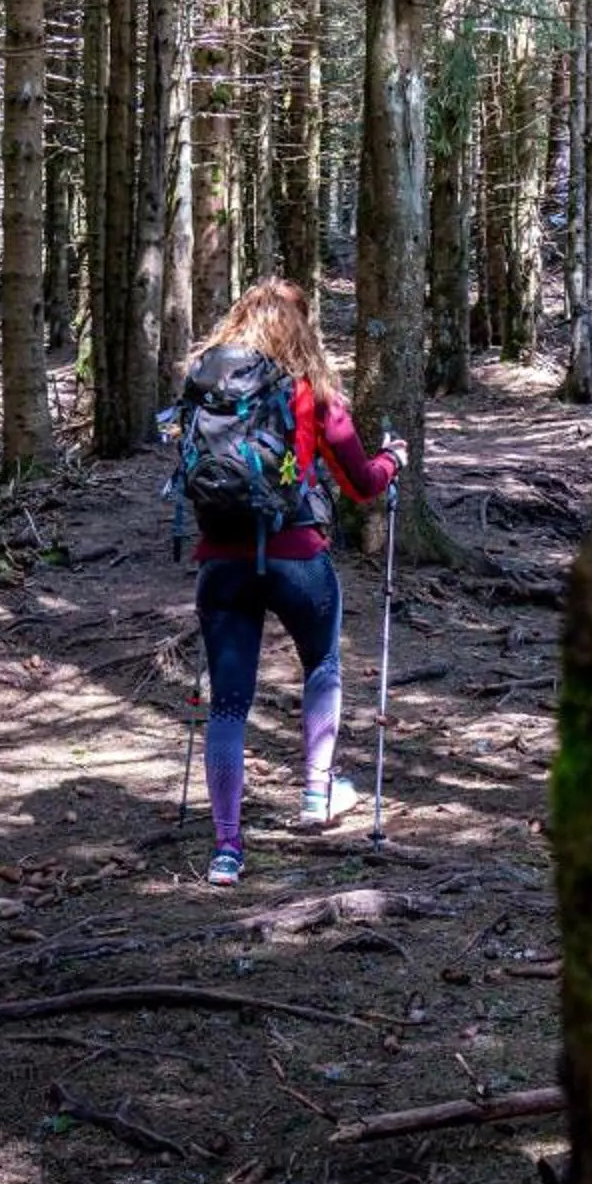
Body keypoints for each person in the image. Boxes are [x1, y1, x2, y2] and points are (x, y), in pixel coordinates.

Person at [185, 278, 401, 887]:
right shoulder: (311, 389)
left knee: (228, 704)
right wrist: (394, 460)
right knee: (322, 664)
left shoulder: (207, 384)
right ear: (303, 325)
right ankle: (316, 792)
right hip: (296, 554)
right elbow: (361, 482)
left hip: (220, 560)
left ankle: (227, 849)